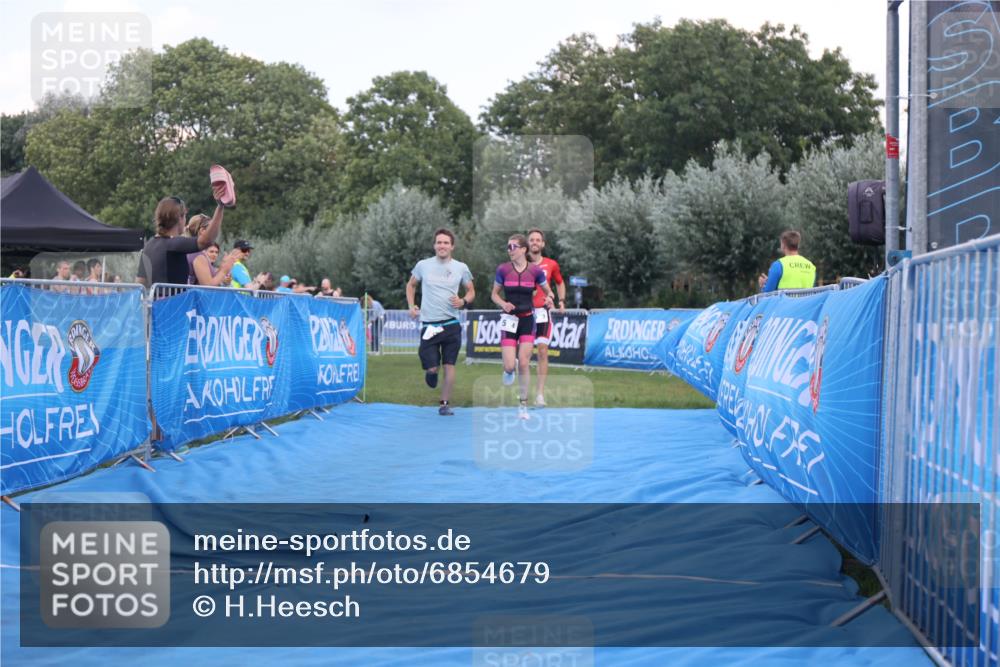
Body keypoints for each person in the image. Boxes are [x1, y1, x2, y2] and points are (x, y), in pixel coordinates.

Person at [406, 228, 475, 416]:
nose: (442, 245)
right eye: (439, 242)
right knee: (432, 367)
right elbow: (411, 285)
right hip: (430, 324)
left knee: (449, 365)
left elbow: (471, 291)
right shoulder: (423, 265)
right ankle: (431, 371)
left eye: (446, 242)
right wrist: (412, 306)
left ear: (452, 246)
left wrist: (463, 301)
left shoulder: (461, 267)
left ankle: (444, 404)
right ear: (434, 245)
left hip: (451, 324)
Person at [492, 233, 555, 420]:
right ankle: (509, 369)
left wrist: (550, 298)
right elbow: (494, 294)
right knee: (510, 366)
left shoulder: (535, 271)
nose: (509, 250)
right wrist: (503, 304)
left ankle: (523, 406)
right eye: (508, 247)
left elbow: (548, 291)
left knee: (525, 362)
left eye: (513, 247)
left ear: (523, 249)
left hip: (527, 320)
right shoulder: (503, 269)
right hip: (509, 320)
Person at [136, 189, 226, 287]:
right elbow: (207, 241)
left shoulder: (149, 245)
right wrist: (220, 206)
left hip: (155, 297)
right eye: (185, 216)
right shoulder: (173, 244)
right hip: (175, 297)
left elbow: (140, 283)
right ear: (180, 218)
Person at [526, 229, 566, 407]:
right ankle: (523, 393)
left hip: (543, 311)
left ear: (543, 244)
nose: (535, 242)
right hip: (524, 313)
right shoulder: (520, 264)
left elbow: (560, 282)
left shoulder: (551, 264)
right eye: (532, 239)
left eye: (538, 240)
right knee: (524, 354)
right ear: (528, 243)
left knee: (542, 350)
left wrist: (561, 301)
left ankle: (540, 395)